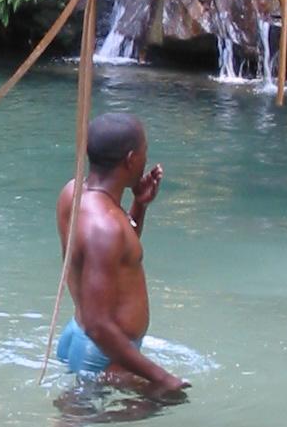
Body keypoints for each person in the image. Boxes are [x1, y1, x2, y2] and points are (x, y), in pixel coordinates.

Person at [55, 111, 188, 397]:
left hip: (79, 337)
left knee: (78, 426)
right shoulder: (106, 227)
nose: (145, 159)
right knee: (168, 398)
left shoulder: (72, 193)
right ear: (130, 160)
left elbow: (115, 257)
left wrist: (140, 206)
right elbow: (98, 324)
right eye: (144, 153)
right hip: (103, 352)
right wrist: (162, 377)